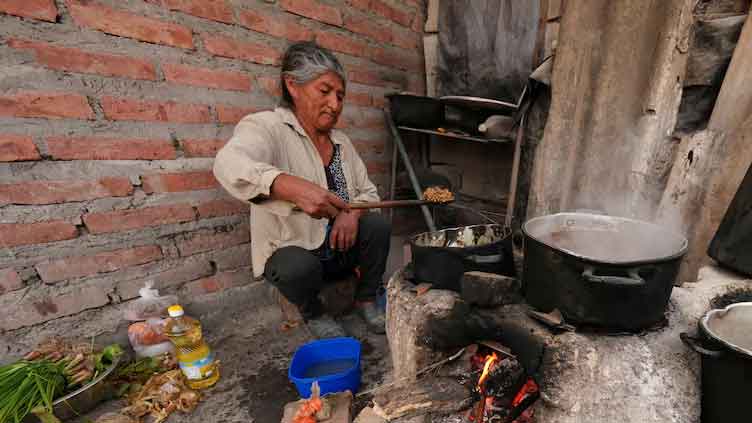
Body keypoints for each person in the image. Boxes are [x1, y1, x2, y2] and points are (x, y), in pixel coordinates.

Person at [213, 41, 391, 338]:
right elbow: (228, 163)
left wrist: (352, 214)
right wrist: (285, 184)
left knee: (378, 226)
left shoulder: (342, 143)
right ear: (293, 85)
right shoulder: (266, 127)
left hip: (340, 247)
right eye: (324, 91)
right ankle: (313, 312)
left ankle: (367, 299)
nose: (335, 104)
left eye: (340, 96)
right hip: (298, 255)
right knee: (295, 266)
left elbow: (369, 194)